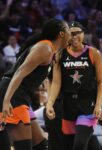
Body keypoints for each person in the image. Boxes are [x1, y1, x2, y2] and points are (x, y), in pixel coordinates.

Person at [0, 18, 71, 150]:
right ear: (62, 33)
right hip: (13, 95)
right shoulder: (45, 48)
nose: (71, 36)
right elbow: (19, 73)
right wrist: (6, 100)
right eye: (69, 31)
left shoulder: (52, 52)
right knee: (24, 146)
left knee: (41, 145)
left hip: (21, 96)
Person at [46, 21, 102, 150]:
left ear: (83, 34)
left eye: (78, 33)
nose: (74, 36)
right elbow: (56, 82)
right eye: (71, 33)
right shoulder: (60, 55)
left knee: (79, 145)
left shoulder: (93, 53)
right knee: (72, 144)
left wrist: (99, 104)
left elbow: (100, 82)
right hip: (67, 105)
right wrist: (49, 102)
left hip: (87, 104)